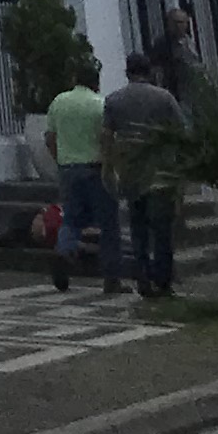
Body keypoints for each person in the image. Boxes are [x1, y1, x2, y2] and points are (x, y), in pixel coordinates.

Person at [102, 50, 186, 302]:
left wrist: (109, 165)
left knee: (138, 230)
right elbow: (181, 131)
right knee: (162, 230)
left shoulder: (114, 100)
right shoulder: (164, 98)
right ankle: (163, 281)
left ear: (127, 72)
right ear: (150, 72)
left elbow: (106, 135)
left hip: (131, 171)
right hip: (160, 171)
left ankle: (142, 278)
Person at [45, 57, 123, 296]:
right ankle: (111, 279)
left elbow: (49, 137)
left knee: (71, 219)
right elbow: (108, 139)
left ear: (74, 79)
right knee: (109, 224)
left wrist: (61, 159)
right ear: (96, 82)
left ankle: (64, 250)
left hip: (68, 168)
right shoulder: (101, 104)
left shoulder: (59, 102)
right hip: (95, 168)